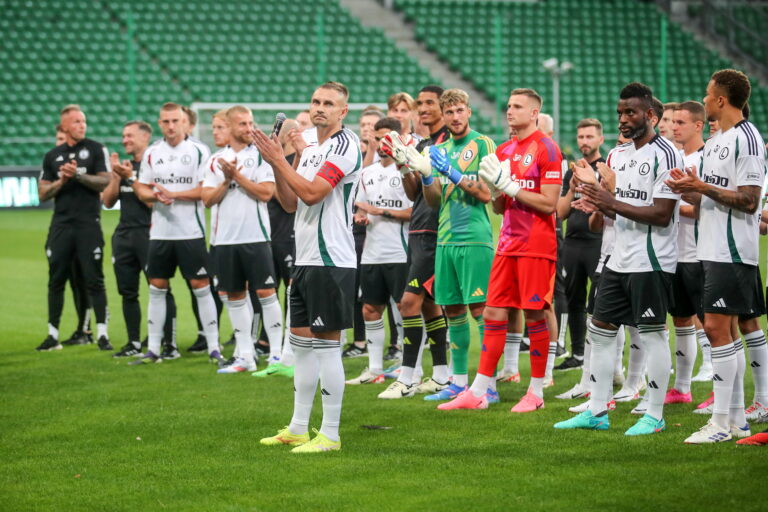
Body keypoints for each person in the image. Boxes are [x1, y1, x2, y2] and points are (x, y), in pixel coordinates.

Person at [554, 82, 682, 435]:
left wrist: (608, 199)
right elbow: (606, 216)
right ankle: (597, 410)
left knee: (653, 334)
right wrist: (594, 199)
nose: (623, 119)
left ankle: (654, 415)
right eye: (620, 113)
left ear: (651, 115)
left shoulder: (667, 154)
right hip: (616, 258)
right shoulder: (616, 157)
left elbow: (661, 214)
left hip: (652, 260)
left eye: (631, 112)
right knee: (601, 331)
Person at [437, 88, 563, 412]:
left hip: (536, 244)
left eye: (518, 106)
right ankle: (479, 390)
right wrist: (495, 190)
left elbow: (549, 205)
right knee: (493, 313)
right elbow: (497, 207)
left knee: (534, 314)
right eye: (508, 106)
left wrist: (509, 186)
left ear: (535, 112)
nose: (510, 111)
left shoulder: (548, 149)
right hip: (507, 244)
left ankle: (535, 393)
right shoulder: (504, 150)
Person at [254, 82, 361, 453]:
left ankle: (330, 433)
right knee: (301, 347)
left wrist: (280, 159)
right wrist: (279, 163)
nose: (320, 108)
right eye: (315, 101)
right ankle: (299, 427)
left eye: (329, 103)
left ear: (343, 112)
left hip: (331, 259)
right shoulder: (311, 149)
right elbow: (288, 202)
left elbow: (315, 193)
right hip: (304, 259)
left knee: (327, 348)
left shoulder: (346, 145)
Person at [667, 69, 767, 443]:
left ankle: (722, 423)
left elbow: (749, 199)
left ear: (722, 101)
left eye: (708, 95)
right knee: (721, 331)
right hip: (710, 249)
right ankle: (735, 420)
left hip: (733, 250)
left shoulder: (748, 139)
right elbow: (708, 195)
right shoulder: (718, 141)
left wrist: (700, 185)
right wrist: (685, 189)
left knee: (716, 330)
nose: (705, 99)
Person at [417, 88, 495, 401]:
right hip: (446, 239)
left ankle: (487, 384)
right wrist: (426, 176)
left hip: (475, 238)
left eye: (460, 110)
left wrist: (452, 171)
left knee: (480, 310)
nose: (455, 117)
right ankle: (459, 381)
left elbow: (488, 193)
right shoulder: (441, 147)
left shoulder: (482, 143)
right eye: (449, 112)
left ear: (469, 111)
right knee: (451, 310)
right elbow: (435, 200)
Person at [129, 102, 222, 364]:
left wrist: (174, 194)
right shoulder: (152, 153)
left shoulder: (199, 151)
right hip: (160, 233)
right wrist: (154, 194)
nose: (170, 126)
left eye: (175, 121)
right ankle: (154, 350)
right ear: (160, 123)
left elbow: (205, 191)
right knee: (157, 287)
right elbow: (143, 189)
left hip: (190, 232)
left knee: (201, 287)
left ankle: (214, 347)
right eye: (166, 121)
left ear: (184, 122)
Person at [379, 84, 450, 396]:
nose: (422, 108)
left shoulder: (451, 143)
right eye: (420, 103)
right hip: (418, 230)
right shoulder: (422, 143)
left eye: (429, 103)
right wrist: (401, 162)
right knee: (429, 307)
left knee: (408, 303)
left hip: (437, 232)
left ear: (443, 107)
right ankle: (442, 373)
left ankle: (407, 377)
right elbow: (413, 193)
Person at [201, 106, 280, 374]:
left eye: (251, 123)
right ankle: (245, 356)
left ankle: (277, 356)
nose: (250, 128)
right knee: (234, 295)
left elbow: (266, 193)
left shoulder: (260, 156)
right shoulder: (215, 161)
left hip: (256, 237)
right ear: (230, 126)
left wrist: (237, 177)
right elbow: (207, 200)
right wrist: (225, 181)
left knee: (266, 293)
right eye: (243, 124)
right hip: (224, 240)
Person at [36, 105, 112, 352]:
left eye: (84, 121)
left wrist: (78, 176)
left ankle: (101, 334)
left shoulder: (94, 149)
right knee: (56, 279)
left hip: (88, 225)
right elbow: (43, 193)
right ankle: (52, 335)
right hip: (61, 225)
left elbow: (104, 181)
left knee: (94, 279)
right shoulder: (52, 156)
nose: (82, 125)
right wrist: (63, 180)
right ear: (65, 126)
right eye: (77, 122)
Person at [345, 117, 413, 390]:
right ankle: (374, 369)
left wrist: (379, 211)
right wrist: (361, 216)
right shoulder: (367, 173)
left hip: (399, 252)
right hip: (372, 254)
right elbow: (362, 207)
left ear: (397, 139)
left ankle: (409, 367)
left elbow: (413, 212)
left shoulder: (406, 171)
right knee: (370, 309)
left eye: (387, 138)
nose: (382, 143)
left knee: (405, 309)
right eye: (378, 138)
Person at [104, 121, 178, 358]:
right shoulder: (123, 166)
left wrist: (131, 178)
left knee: (159, 288)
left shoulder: (155, 164)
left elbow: (150, 201)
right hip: (124, 235)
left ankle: (168, 343)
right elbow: (107, 202)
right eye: (124, 136)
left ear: (145, 138)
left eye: (130, 136)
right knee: (128, 292)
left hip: (149, 234)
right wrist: (117, 176)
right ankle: (134, 342)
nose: (125, 140)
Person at [664, 101, 708, 403]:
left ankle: (721, 392)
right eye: (672, 122)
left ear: (697, 125)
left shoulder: (706, 159)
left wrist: (673, 207)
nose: (674, 127)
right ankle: (682, 388)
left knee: (714, 324)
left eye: (680, 122)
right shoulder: (675, 158)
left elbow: (710, 209)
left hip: (699, 253)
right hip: (673, 254)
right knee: (681, 319)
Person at [554, 119, 605, 372]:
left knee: (598, 303)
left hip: (598, 242)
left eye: (589, 137)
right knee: (573, 299)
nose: (584, 142)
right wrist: (571, 189)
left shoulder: (607, 168)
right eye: (581, 137)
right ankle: (578, 354)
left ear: (600, 140)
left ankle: (600, 356)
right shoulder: (571, 172)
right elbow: (561, 213)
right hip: (572, 244)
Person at [50, 124, 94, 346]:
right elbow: (44, 193)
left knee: (81, 280)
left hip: (83, 230)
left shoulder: (83, 164)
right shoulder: (54, 163)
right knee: (61, 279)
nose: (60, 142)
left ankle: (85, 330)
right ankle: (69, 331)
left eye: (62, 138)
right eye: (58, 139)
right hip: (61, 228)